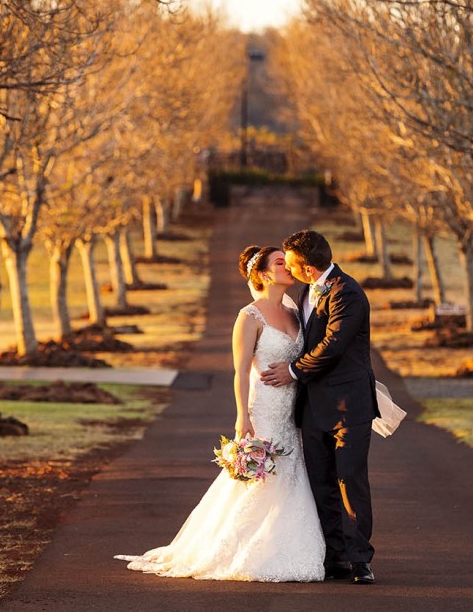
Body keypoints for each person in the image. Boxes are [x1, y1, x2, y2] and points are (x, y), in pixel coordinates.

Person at [115, 245, 325, 582]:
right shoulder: (249, 316)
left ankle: (282, 544)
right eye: (279, 263)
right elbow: (241, 371)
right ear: (262, 274)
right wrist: (243, 416)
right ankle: (238, 549)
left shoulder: (295, 312)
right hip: (265, 408)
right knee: (261, 477)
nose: (288, 267)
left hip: (293, 411)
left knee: (291, 473)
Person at [260, 230, 380, 585]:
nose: (289, 269)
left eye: (292, 265)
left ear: (309, 269)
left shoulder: (349, 293)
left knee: (350, 481)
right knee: (321, 483)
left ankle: (360, 560)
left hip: (348, 406)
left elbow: (333, 345)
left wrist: (294, 370)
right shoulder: (304, 291)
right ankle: (334, 556)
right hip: (312, 407)